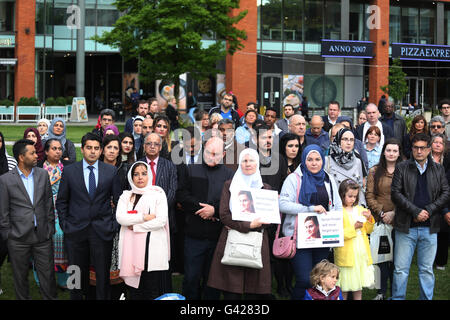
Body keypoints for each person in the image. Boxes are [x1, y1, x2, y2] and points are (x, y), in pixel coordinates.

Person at [56, 132, 122, 300]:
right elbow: (62, 201)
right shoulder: (70, 171)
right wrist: (66, 225)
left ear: (101, 151)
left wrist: (113, 225)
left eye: (96, 148)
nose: (93, 151)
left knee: (102, 276)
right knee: (76, 275)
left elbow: (119, 200)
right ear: (82, 149)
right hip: (75, 232)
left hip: (102, 231)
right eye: (89, 148)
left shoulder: (111, 171)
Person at [390, 133, 450, 300]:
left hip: (430, 228)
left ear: (429, 149)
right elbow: (395, 193)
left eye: (422, 148)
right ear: (412, 149)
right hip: (406, 226)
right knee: (401, 269)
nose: (418, 151)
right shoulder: (402, 167)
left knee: (426, 269)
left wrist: (429, 210)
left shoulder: (438, 169)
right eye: (415, 147)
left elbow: (445, 193)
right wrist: (415, 211)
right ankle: (397, 298)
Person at [279, 144, 342, 300]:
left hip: (322, 238)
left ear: (322, 160)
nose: (314, 163)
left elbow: (338, 206)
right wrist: (310, 209)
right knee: (304, 279)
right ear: (304, 160)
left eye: (317, 159)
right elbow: (282, 204)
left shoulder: (328, 179)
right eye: (310, 159)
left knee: (320, 280)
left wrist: (331, 216)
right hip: (300, 238)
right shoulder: (294, 178)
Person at [207, 148, 272, 299]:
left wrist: (258, 225)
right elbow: (224, 214)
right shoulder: (229, 185)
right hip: (233, 240)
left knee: (253, 293)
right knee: (232, 291)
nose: (248, 164)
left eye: (251, 161)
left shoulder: (265, 188)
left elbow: (270, 218)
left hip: (257, 243)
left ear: (257, 163)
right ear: (239, 163)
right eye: (244, 160)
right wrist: (248, 225)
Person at [176, 137, 234, 300]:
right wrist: (203, 208)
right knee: (191, 278)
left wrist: (214, 211)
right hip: (194, 235)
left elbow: (231, 202)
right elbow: (182, 195)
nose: (211, 156)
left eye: (216, 154)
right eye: (208, 152)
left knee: (213, 280)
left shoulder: (230, 175)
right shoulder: (191, 169)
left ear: (223, 154)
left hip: (218, 237)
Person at [0, 139, 57, 300]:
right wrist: (8, 235)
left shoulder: (42, 174)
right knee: (20, 278)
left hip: (42, 237)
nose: (36, 156)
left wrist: (49, 228)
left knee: (48, 276)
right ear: (21, 157)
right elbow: (3, 212)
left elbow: (48, 204)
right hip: (17, 239)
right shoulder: (5, 180)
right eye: (32, 153)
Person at [116, 161, 170, 299]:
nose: (140, 177)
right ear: (131, 177)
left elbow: (160, 220)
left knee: (151, 290)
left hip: (151, 250)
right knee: (134, 291)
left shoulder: (158, 193)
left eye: (144, 174)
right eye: (136, 174)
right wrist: (144, 217)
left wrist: (136, 227)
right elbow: (121, 218)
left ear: (149, 175)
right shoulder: (126, 196)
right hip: (131, 250)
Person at [365, 138, 403, 300]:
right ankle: (381, 292)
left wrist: (394, 213)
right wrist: (381, 213)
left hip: (399, 221)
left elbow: (408, 195)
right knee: (381, 259)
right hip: (380, 221)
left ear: (399, 153)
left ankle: (395, 292)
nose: (391, 153)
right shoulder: (375, 171)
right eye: (389, 150)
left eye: (395, 151)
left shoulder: (405, 170)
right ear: (384, 151)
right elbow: (369, 195)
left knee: (397, 260)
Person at [34, 138, 70, 289]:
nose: (57, 151)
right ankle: (41, 280)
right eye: (54, 148)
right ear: (46, 151)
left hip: (63, 209)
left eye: (59, 148)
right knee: (42, 245)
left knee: (63, 242)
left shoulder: (67, 169)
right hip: (43, 210)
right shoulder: (38, 170)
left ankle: (63, 280)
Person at [335, 179, 375, 300]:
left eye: (355, 196)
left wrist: (369, 219)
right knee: (344, 285)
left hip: (360, 252)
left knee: (358, 284)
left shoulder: (359, 209)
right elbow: (338, 234)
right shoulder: (338, 211)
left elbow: (368, 230)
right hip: (346, 253)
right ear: (342, 195)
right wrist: (354, 228)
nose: (352, 199)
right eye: (350, 196)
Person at [325, 128, 367, 206]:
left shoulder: (358, 161)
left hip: (352, 209)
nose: (348, 143)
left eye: (351, 140)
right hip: (335, 209)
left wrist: (363, 206)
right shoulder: (327, 161)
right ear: (338, 140)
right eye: (345, 139)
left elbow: (360, 188)